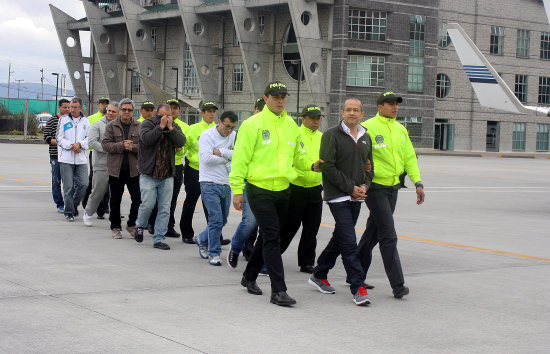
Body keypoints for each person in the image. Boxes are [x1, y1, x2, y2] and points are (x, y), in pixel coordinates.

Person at [229, 81, 321, 306]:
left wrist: (312, 166)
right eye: (276, 96)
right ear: (266, 97)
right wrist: (237, 189)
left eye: (283, 96)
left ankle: (248, 276)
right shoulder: (253, 124)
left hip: (283, 189)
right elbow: (240, 159)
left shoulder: (291, 125)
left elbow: (297, 157)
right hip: (259, 188)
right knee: (272, 237)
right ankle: (278, 291)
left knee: (267, 237)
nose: (280, 100)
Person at [357, 91, 425, 299]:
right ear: (380, 107)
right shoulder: (367, 127)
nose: (395, 107)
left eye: (396, 104)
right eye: (390, 104)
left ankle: (355, 275)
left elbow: (409, 158)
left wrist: (418, 182)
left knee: (372, 234)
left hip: (393, 188)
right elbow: (356, 155)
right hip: (375, 188)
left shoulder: (401, 129)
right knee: (388, 234)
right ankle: (398, 284)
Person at [309, 97, 373, 306]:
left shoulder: (365, 137)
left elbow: (369, 167)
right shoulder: (331, 136)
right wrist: (350, 188)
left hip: (356, 196)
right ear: (342, 112)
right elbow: (328, 167)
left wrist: (365, 187)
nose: (352, 113)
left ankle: (319, 274)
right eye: (348, 110)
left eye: (356, 110)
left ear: (362, 114)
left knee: (340, 237)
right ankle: (358, 287)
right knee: (349, 241)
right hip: (338, 195)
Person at [134, 103, 186, 250]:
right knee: (148, 204)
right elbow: (147, 140)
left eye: (168, 116)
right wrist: (160, 127)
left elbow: (182, 141)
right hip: (149, 173)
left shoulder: (174, 126)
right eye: (161, 115)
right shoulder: (147, 124)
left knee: (165, 208)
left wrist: (170, 128)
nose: (165, 118)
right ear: (156, 113)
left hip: (167, 174)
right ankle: (140, 225)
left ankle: (159, 238)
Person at [279, 104, 324, 274]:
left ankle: (306, 262)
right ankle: (270, 257)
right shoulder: (295, 134)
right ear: (303, 118)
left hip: (314, 188)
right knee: (289, 226)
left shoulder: (323, 137)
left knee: (312, 228)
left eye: (318, 118)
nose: (315, 121)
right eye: (312, 118)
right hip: (295, 188)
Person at [180, 101, 229, 246]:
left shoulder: (218, 130)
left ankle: (216, 236)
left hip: (212, 171)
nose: (211, 114)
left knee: (212, 205)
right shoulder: (193, 129)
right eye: (208, 111)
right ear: (202, 113)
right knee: (191, 201)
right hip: (195, 170)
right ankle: (187, 233)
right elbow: (184, 147)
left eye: (214, 111)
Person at [194, 111, 237, 266]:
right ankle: (214, 253)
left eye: (232, 128)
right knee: (216, 219)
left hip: (225, 182)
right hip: (208, 182)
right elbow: (205, 158)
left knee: (222, 219)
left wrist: (222, 152)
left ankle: (201, 239)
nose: (229, 131)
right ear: (219, 122)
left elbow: (236, 155)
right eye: (226, 126)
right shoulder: (207, 135)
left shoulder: (233, 136)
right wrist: (227, 156)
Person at [226, 97, 265, 268]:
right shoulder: (248, 127)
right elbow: (239, 160)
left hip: (275, 186)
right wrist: (238, 189)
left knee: (268, 226)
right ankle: (236, 247)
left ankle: (261, 260)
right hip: (252, 183)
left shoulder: (283, 126)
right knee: (250, 223)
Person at [147, 99, 190, 238]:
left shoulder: (181, 126)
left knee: (172, 199)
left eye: (175, 108)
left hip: (176, 166)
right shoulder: (154, 123)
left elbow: (183, 145)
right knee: (156, 198)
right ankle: (152, 222)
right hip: (159, 166)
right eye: (170, 108)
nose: (172, 111)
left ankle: (168, 225)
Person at [101, 98, 142, 239]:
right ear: (119, 110)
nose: (126, 112)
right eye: (124, 109)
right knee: (115, 200)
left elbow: (145, 147)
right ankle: (115, 227)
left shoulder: (139, 126)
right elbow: (105, 145)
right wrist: (121, 145)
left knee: (138, 198)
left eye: (129, 110)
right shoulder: (111, 126)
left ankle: (131, 224)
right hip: (116, 170)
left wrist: (134, 147)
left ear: (133, 111)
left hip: (133, 170)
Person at [83, 102, 119, 229]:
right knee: (98, 190)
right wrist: (108, 149)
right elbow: (92, 142)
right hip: (101, 164)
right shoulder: (97, 125)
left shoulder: (120, 126)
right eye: (109, 111)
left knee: (115, 193)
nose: (110, 113)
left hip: (117, 164)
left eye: (114, 111)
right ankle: (88, 212)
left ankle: (114, 217)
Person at [56, 97, 90, 222]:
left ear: (81, 108)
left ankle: (73, 204)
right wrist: (71, 145)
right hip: (66, 158)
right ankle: (69, 212)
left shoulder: (86, 121)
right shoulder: (63, 120)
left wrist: (80, 144)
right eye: (71, 107)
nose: (72, 109)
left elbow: (89, 138)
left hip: (80, 158)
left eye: (75, 107)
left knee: (84, 184)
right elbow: (59, 138)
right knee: (68, 186)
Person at [82, 97, 110, 219]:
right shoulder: (92, 119)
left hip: (112, 157)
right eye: (103, 104)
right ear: (98, 105)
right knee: (95, 182)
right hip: (96, 155)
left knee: (109, 185)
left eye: (106, 104)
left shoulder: (115, 121)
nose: (104, 106)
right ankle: (86, 204)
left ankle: (103, 208)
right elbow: (89, 139)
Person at [44, 98, 70, 214]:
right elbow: (47, 137)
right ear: (59, 107)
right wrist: (61, 143)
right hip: (56, 156)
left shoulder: (71, 121)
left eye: (69, 107)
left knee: (70, 181)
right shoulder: (52, 120)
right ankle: (60, 203)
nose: (67, 109)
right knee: (56, 181)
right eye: (65, 107)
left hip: (69, 155)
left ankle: (70, 203)